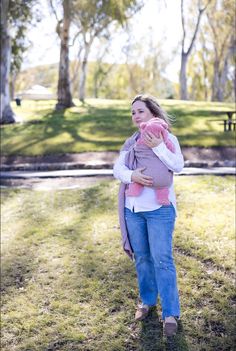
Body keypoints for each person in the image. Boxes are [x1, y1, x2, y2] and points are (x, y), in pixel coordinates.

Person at [113, 94, 184, 337]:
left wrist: (158, 147)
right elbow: (117, 169)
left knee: (162, 259)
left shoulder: (168, 137)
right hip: (133, 210)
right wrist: (132, 176)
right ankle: (147, 300)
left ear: (153, 113)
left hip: (160, 210)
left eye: (140, 111)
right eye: (132, 112)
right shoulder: (131, 142)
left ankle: (171, 313)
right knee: (142, 258)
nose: (135, 116)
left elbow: (177, 165)